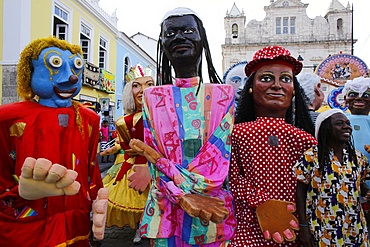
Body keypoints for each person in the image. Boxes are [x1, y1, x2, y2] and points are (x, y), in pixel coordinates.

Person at [128, 7, 236, 246]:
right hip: (165, 209)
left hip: (210, 209)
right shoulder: (152, 97)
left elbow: (219, 159)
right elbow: (155, 164)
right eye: (171, 33)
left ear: (202, 39)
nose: (179, 38)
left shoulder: (223, 94)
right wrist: (181, 195)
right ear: (163, 44)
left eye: (188, 31)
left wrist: (191, 193)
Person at [0, 37, 107, 246]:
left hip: (76, 219)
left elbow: (90, 167)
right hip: (28, 221)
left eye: (76, 67)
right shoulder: (8, 118)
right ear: (29, 71)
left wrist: (96, 201)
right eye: (55, 64)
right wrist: (17, 194)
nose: (71, 78)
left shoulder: (89, 118)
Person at [229, 45, 317, 246]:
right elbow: (230, 177)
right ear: (251, 86)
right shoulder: (235, 135)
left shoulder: (306, 140)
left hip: (295, 231)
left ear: (294, 89)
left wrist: (305, 225)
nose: (277, 85)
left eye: (285, 79)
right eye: (267, 78)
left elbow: (314, 186)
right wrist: (262, 203)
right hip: (246, 231)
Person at [293, 109, 370, 246]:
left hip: (354, 226)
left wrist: (367, 193)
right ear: (326, 128)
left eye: (347, 123)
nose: (346, 127)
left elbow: (360, 185)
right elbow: (300, 192)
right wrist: (303, 226)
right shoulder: (312, 156)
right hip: (323, 226)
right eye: (340, 123)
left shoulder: (357, 157)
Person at [102, 64, 154, 244]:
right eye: (136, 86)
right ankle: (140, 228)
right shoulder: (123, 122)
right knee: (137, 198)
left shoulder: (162, 116)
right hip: (135, 164)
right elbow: (124, 146)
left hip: (159, 166)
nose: (142, 90)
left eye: (148, 84)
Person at [343, 76, 370, 231]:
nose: (359, 99)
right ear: (346, 98)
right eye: (353, 94)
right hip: (346, 184)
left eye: (366, 95)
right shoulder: (338, 119)